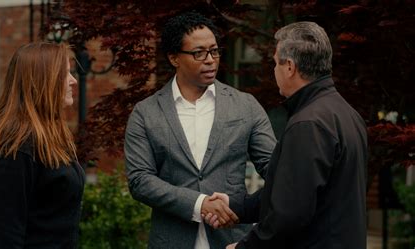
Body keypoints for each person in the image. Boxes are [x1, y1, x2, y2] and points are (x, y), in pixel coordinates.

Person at [209, 21, 368, 249]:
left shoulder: (308, 124)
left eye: (275, 64)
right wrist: (237, 206)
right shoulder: (346, 114)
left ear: (290, 67)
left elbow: (290, 213)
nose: (274, 70)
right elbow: (292, 191)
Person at [124, 11, 276, 249]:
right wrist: (199, 203)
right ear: (174, 58)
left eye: (214, 51)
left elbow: (277, 170)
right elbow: (140, 180)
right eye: (199, 53)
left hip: (234, 240)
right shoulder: (146, 113)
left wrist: (255, 213)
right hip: (171, 241)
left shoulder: (246, 105)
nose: (210, 59)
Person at [0, 42, 84, 249]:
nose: (73, 81)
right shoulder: (16, 148)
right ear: (42, 81)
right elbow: (2, 234)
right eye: (65, 74)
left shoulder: (48, 135)